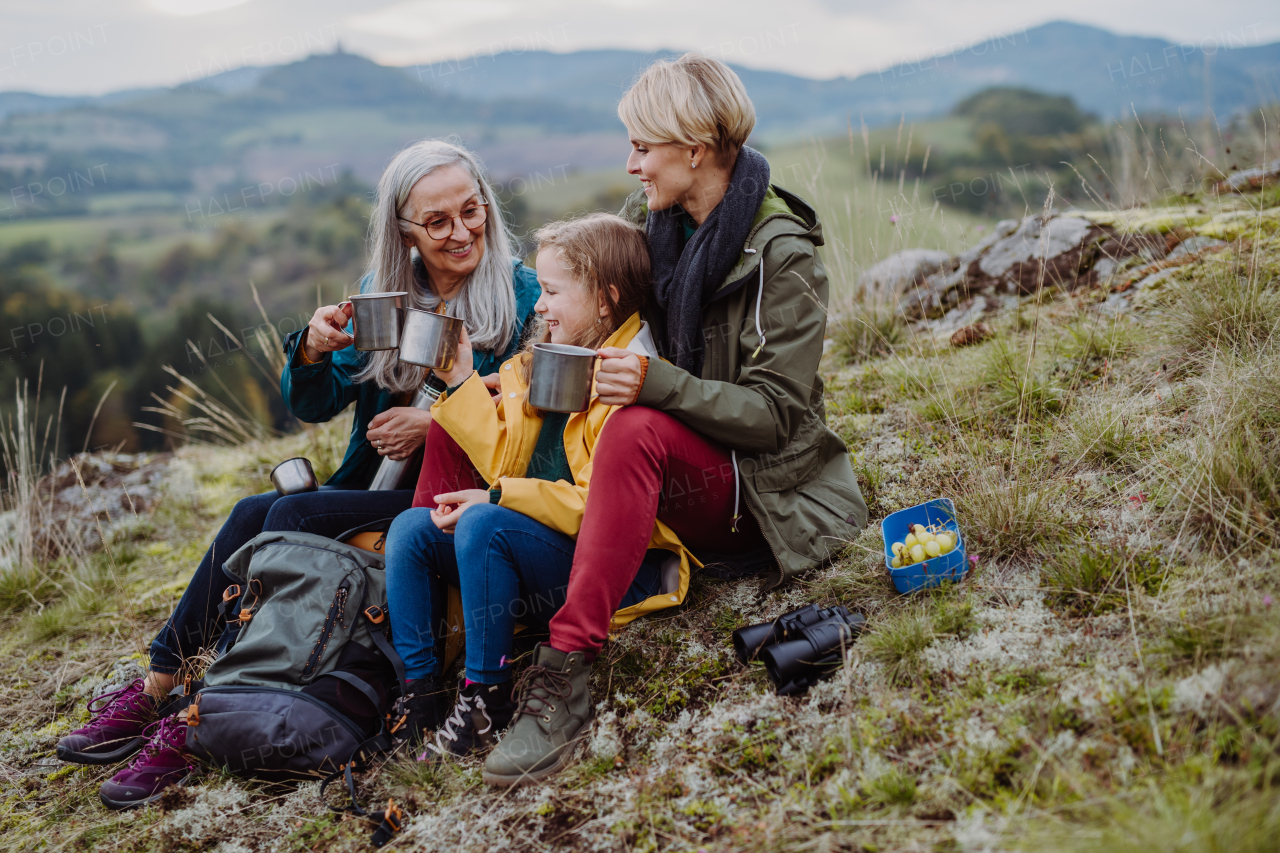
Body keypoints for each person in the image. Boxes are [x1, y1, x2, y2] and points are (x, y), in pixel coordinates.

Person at [58, 139, 540, 811]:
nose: (461, 232)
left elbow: (529, 419)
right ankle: (159, 684)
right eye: (437, 222)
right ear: (402, 231)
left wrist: (434, 424)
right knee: (252, 513)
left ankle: (200, 712)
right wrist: (313, 345)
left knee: (286, 519)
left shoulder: (521, 295)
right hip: (374, 487)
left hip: (448, 502)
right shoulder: (383, 296)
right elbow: (311, 403)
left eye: (471, 210)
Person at [484, 54, 868, 786]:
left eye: (642, 146)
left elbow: (776, 418)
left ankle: (565, 672)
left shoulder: (782, 256)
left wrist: (659, 384)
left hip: (755, 490)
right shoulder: (658, 227)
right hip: (678, 467)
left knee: (631, 426)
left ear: (694, 150)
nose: (630, 165)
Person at [384, 214, 696, 766]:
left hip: (613, 573)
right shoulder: (543, 363)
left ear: (605, 301)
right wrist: (460, 383)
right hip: (538, 555)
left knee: (483, 521)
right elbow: (505, 459)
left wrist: (498, 499)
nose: (539, 306)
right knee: (412, 527)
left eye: (551, 291)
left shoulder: (629, 377)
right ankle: (423, 695)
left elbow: (607, 511)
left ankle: (487, 695)